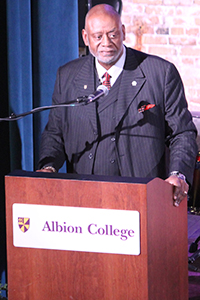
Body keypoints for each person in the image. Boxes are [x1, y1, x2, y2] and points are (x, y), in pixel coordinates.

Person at [37, 4, 197, 207]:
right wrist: (48, 166)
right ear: (85, 38)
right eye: (98, 37)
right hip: (83, 198)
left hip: (143, 198)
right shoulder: (67, 76)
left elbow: (182, 133)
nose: (106, 43)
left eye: (112, 34)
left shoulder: (161, 73)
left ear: (123, 31)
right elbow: (55, 132)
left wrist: (178, 174)